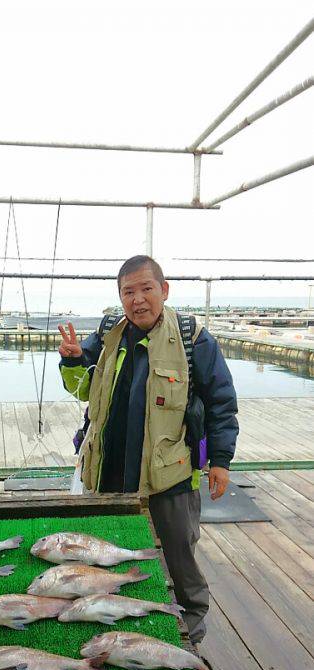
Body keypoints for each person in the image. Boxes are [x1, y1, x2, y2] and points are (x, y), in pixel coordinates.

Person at [58, 255, 238, 644]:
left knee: (180, 560)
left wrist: (220, 462)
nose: (138, 299)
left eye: (146, 289)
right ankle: (123, 626)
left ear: (164, 290)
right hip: (109, 474)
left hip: (168, 478)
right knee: (108, 553)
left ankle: (190, 635)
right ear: (120, 296)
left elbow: (222, 402)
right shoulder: (108, 333)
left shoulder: (193, 338)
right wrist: (71, 360)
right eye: (128, 291)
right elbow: (81, 389)